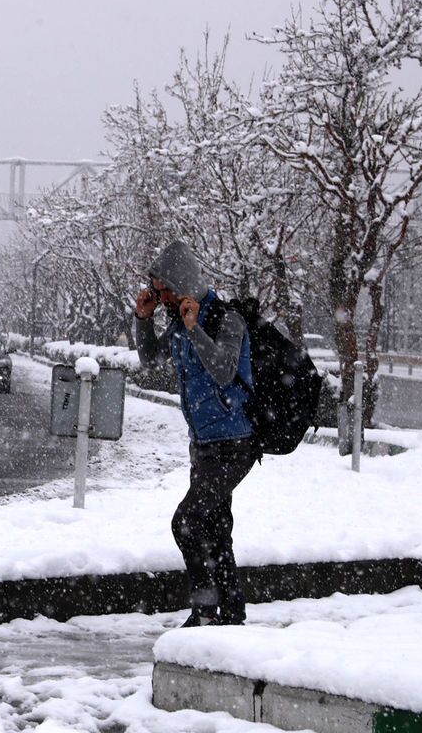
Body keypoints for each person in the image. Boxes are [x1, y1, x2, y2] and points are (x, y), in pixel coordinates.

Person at [134, 241, 257, 627]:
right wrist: (142, 319)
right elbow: (149, 360)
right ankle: (231, 614)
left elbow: (222, 370)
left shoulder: (227, 319)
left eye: (162, 289)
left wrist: (195, 328)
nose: (160, 297)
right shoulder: (174, 321)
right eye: (156, 292)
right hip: (203, 445)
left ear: (181, 283)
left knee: (185, 522)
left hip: (236, 443)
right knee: (216, 530)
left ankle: (205, 610)